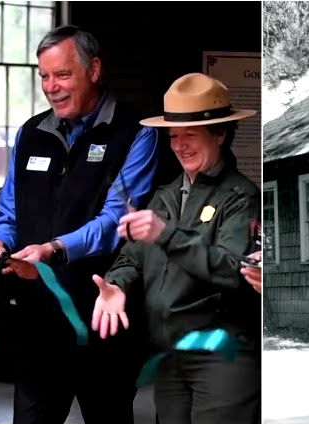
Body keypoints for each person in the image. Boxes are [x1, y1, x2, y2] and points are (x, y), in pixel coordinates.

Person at [0, 25, 158, 423]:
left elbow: (117, 221)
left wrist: (53, 249)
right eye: (43, 76)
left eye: (62, 74)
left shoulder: (136, 132)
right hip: (37, 323)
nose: (51, 87)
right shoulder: (30, 134)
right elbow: (8, 212)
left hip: (102, 318)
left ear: (94, 70)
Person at [92, 72, 261, 423]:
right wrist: (117, 284)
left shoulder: (240, 196)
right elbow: (132, 257)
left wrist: (166, 234)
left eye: (190, 135)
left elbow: (233, 268)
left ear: (221, 133)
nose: (180, 145)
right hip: (168, 355)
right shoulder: (165, 196)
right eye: (173, 136)